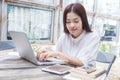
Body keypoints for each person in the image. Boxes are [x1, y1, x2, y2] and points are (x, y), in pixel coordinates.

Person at [37, 3, 100, 67]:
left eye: (76, 21)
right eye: (68, 22)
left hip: (84, 74)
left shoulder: (93, 37)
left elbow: (82, 62)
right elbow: (56, 51)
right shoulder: (64, 36)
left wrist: (58, 54)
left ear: (83, 21)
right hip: (65, 72)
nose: (71, 25)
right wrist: (46, 51)